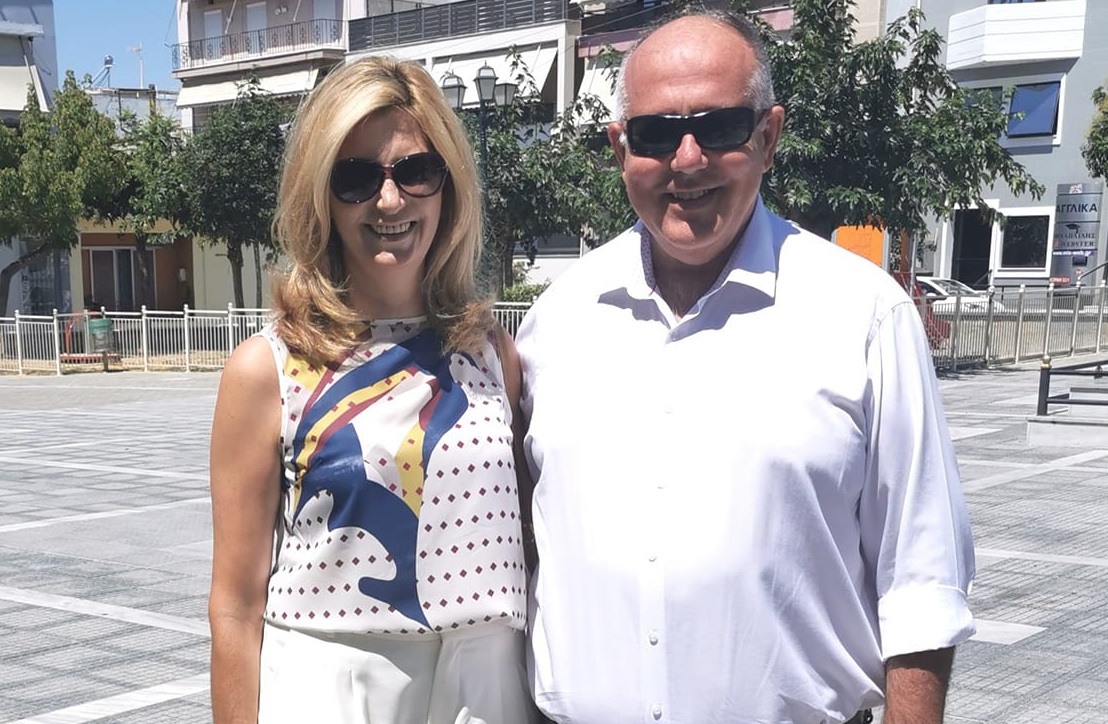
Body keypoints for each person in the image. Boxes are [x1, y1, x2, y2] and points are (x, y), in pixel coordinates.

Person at [515, 9, 975, 724]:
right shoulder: (557, 320)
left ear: (768, 136)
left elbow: (923, 578)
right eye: (656, 134)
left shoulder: (864, 315)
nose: (687, 159)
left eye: (720, 127)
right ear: (620, 148)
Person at [207, 56, 534, 724]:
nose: (390, 201)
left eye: (416, 171)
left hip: (489, 683)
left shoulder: (493, 356)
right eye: (355, 178)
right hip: (331, 686)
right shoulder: (268, 368)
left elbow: (532, 546)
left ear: (448, 184)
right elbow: (235, 607)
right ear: (321, 196)